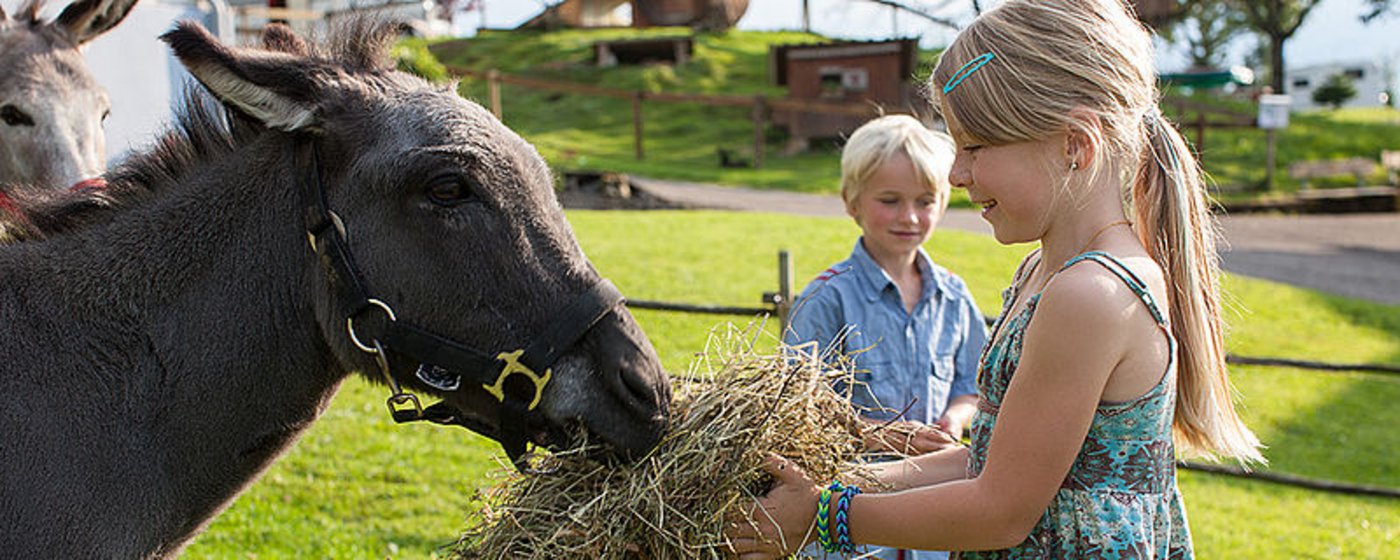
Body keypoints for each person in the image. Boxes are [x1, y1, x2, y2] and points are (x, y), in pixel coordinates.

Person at [729, 1, 1264, 558]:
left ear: (1074, 146)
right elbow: (988, 457)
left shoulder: (1092, 295)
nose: (957, 174)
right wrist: (836, 481)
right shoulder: (1043, 273)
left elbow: (1000, 511)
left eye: (976, 148)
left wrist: (822, 515)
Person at [782, 114, 986, 560]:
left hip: (934, 523)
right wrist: (884, 436)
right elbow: (794, 416)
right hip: (847, 526)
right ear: (852, 201)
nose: (909, 217)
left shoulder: (953, 295)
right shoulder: (827, 299)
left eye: (925, 201)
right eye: (890, 200)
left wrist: (954, 419)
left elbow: (972, 386)